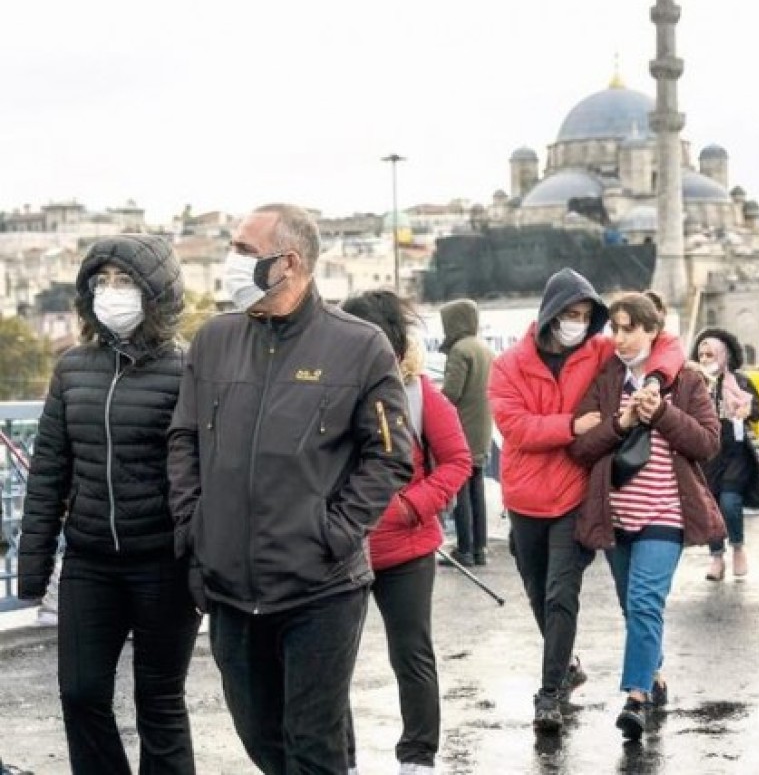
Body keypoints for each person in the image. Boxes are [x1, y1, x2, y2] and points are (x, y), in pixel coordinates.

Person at [168, 204, 415, 773]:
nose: (231, 261)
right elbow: (183, 439)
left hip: (319, 589)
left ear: (290, 262)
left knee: (313, 745)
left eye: (243, 251)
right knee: (262, 741)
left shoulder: (360, 346)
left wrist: (332, 532)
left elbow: (390, 455)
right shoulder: (213, 340)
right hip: (229, 588)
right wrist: (196, 528)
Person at [19, 235, 201, 774]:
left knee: (160, 702)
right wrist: (35, 567)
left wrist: (206, 562)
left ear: (157, 293)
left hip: (163, 564)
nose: (112, 292)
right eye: (102, 281)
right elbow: (48, 470)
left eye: (126, 282)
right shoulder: (72, 368)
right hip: (89, 562)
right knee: (79, 693)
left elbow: (206, 474)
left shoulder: (188, 370)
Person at [488, 268, 684, 734]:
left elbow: (666, 343)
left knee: (561, 595)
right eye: (569, 314)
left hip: (575, 493)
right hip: (525, 496)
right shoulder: (508, 364)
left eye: (584, 315)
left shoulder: (598, 350)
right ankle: (568, 666)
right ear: (550, 314)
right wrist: (569, 426)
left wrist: (655, 377)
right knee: (538, 594)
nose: (577, 323)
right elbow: (514, 427)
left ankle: (549, 693)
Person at [568, 293, 723, 741]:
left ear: (653, 330)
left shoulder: (686, 380)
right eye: (614, 327)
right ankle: (654, 674)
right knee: (631, 606)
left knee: (643, 602)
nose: (620, 337)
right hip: (616, 516)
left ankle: (636, 698)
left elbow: (708, 444)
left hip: (665, 514)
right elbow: (581, 448)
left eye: (630, 327)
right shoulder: (608, 378)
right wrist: (618, 423)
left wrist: (663, 414)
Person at [340, 291, 472, 775]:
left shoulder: (417, 392)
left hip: (407, 550)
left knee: (412, 655)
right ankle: (342, 759)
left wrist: (409, 506)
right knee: (331, 666)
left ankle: (418, 756)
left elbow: (458, 460)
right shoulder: (324, 387)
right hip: (338, 548)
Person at [694, 329, 759, 581]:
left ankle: (737, 547)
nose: (705, 359)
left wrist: (747, 409)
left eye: (710, 354)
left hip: (735, 453)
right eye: (701, 354)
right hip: (706, 455)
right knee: (710, 505)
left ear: (724, 355)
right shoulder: (694, 382)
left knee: (730, 503)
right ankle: (716, 556)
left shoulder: (741, 381)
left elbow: (758, 410)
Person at [439, 298, 495, 567]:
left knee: (461, 491)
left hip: (462, 429)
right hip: (482, 428)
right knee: (477, 489)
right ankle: (480, 548)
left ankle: (464, 550)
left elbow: (451, 393)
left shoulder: (460, 350)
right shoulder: (483, 348)